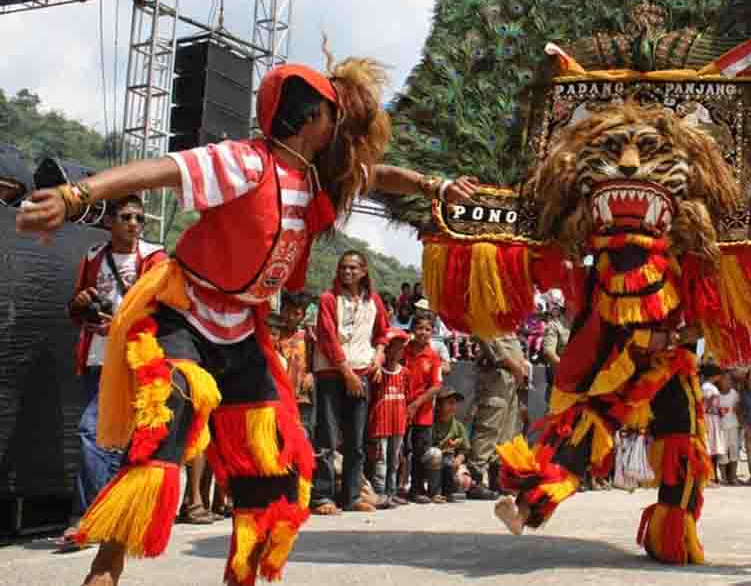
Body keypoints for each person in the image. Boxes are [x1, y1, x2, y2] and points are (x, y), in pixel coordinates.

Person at [16, 53, 479, 586]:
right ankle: (104, 572)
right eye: (334, 115)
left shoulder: (317, 177)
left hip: (243, 328)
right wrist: (78, 195)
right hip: (184, 313)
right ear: (311, 119)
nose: (342, 128)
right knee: (169, 420)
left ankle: (243, 577)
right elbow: (167, 170)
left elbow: (380, 178)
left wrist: (433, 186)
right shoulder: (246, 162)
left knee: (271, 460)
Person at [64, 196, 167, 543]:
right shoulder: (93, 257)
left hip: (138, 359)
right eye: (126, 217)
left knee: (125, 440)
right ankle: (94, 516)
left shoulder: (156, 258)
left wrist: (123, 324)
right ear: (109, 221)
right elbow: (76, 308)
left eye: (140, 217)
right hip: (98, 358)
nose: (134, 223)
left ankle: (99, 517)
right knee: (93, 433)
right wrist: (80, 305)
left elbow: (164, 308)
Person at [311, 251, 392, 515]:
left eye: (353, 268)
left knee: (356, 440)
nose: (347, 272)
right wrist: (347, 373)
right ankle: (322, 496)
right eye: (343, 268)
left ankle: (352, 495)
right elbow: (327, 338)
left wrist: (379, 357)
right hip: (333, 374)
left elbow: (382, 333)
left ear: (364, 271)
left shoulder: (374, 301)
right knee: (327, 437)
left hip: (363, 372)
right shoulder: (328, 298)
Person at [469, 334, 525, 498]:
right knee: (488, 429)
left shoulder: (509, 325)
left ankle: (498, 479)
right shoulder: (488, 319)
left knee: (506, 433)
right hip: (496, 377)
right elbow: (493, 348)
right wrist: (516, 369)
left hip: (511, 381)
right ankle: (476, 481)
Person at [404, 311, 445, 503]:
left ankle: (417, 489)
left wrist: (416, 404)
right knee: (400, 450)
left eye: (427, 329)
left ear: (432, 332)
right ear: (412, 330)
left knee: (421, 452)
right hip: (400, 408)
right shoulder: (403, 351)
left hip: (423, 413)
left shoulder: (434, 357)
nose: (423, 332)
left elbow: (436, 386)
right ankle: (394, 487)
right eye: (419, 328)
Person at [368, 329, 410, 507]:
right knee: (381, 459)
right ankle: (379, 493)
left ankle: (391, 492)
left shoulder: (405, 373)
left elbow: (407, 396)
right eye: (393, 348)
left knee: (394, 459)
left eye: (400, 349)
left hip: (398, 423)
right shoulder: (378, 372)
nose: (396, 352)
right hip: (381, 422)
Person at [272, 292, 315, 439]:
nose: (290, 317)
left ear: (302, 316)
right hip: (277, 398)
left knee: (301, 437)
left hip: (301, 399)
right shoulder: (273, 335)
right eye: (287, 311)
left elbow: (315, 362)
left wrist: (312, 374)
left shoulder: (308, 338)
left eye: (296, 313)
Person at [428, 387, 471, 503]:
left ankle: (449, 492)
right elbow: (427, 449)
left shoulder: (458, 426)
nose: (453, 406)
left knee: (464, 479)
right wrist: (444, 447)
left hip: (449, 460)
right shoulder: (431, 423)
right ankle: (435, 493)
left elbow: (464, 450)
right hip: (433, 461)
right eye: (449, 403)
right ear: (438, 405)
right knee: (436, 455)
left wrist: (458, 459)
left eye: (455, 403)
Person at [715, 368, 742, 485]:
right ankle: (724, 477)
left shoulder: (734, 394)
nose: (727, 382)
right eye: (724, 379)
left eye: (729, 379)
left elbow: (739, 408)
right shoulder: (716, 395)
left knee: (734, 451)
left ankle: (734, 476)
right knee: (722, 453)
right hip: (721, 428)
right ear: (719, 381)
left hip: (733, 426)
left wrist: (738, 411)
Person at [701, 366, 727, 485]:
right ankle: (711, 476)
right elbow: (708, 404)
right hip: (710, 419)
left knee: (712, 448)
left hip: (712, 418)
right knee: (711, 447)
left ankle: (713, 476)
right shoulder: (708, 387)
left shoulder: (707, 386)